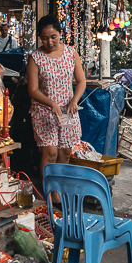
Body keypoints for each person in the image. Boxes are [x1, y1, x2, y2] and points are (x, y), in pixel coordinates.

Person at [27, 15, 86, 184]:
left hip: (67, 111)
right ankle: (51, 192)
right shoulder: (35, 57)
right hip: (45, 112)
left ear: (60, 34)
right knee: (50, 153)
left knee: (65, 152)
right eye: (45, 38)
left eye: (53, 37)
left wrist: (74, 100)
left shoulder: (70, 53)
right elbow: (32, 90)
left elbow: (81, 82)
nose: (50, 42)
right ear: (40, 37)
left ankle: (60, 188)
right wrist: (51, 103)